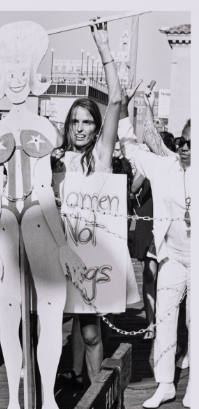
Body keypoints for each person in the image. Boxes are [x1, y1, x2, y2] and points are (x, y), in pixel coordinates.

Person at [0, 21, 86, 409]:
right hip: (5, 227)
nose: (19, 78)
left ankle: (47, 402)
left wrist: (62, 244)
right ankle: (12, 404)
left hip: (40, 225)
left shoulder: (45, 130)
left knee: (50, 312)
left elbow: (44, 192)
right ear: (3, 78)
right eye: (11, 70)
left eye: (25, 69)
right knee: (9, 318)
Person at [52, 22, 139, 387]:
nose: (82, 127)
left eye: (88, 121)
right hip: (55, 257)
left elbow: (117, 99)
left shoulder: (100, 158)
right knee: (46, 331)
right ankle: (45, 401)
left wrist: (103, 46)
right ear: (68, 125)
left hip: (88, 261)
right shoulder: (55, 162)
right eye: (76, 121)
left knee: (90, 335)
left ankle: (92, 403)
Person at [118, 89, 191, 409]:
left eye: (191, 143)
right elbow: (137, 143)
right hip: (172, 256)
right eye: (182, 142)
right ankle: (165, 384)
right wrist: (128, 108)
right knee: (163, 317)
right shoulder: (166, 166)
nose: (184, 147)